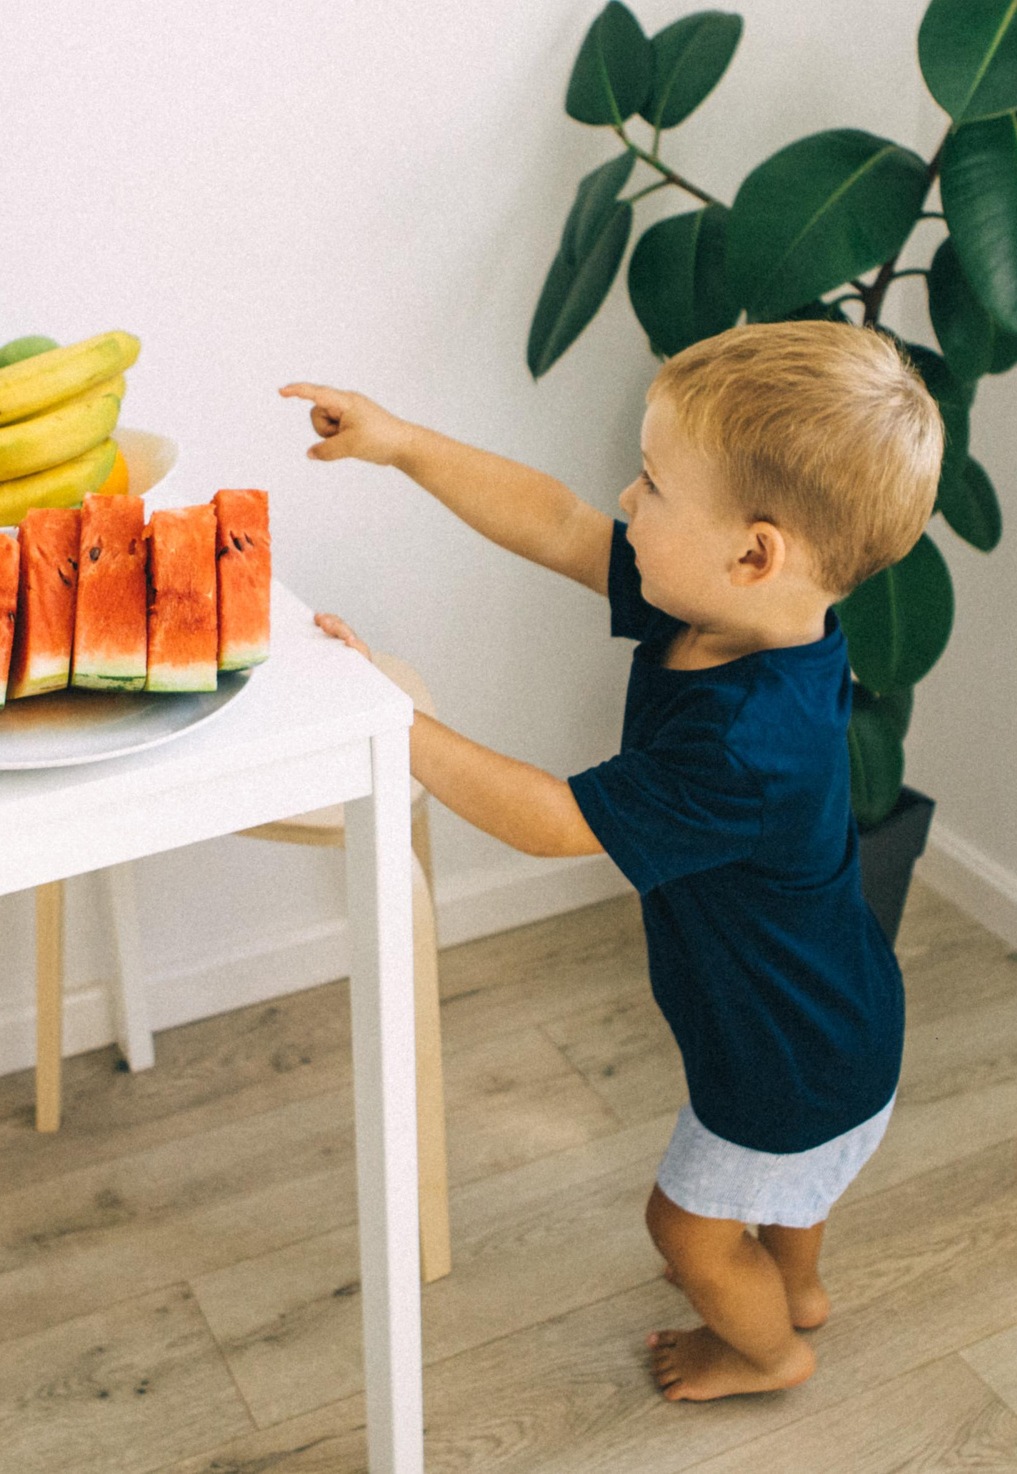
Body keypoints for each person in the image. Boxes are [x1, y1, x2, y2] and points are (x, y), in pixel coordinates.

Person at [281, 319, 942, 1401]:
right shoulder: (743, 614)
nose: (626, 503)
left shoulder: (743, 742)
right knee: (792, 1189)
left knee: (683, 1228)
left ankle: (770, 1351)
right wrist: (401, 443)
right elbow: (553, 521)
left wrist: (394, 719)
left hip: (781, 1056)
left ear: (752, 549)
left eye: (650, 483)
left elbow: (551, 820)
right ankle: (800, 1286)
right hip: (839, 1012)